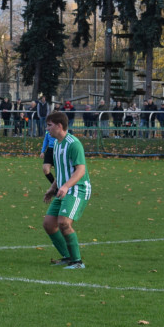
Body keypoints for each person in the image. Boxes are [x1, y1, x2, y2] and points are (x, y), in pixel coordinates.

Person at [43, 111, 92, 269]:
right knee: (49, 224)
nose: (47, 129)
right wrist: (53, 187)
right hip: (63, 188)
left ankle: (77, 262)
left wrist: (65, 186)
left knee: (63, 222)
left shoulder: (73, 143)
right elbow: (63, 170)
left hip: (77, 189)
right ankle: (67, 256)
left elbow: (80, 171)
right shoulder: (56, 143)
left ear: (59, 125)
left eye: (49, 125)